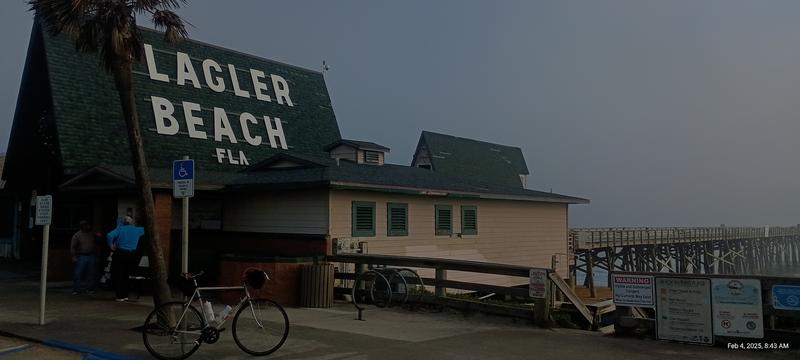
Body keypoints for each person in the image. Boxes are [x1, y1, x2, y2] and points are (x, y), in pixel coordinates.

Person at [106, 216, 144, 302]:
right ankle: (126, 295)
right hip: (132, 254)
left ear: (123, 222)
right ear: (131, 222)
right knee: (127, 275)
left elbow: (109, 235)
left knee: (119, 274)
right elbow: (147, 230)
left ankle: (120, 296)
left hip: (120, 253)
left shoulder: (120, 229)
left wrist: (111, 245)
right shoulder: (137, 230)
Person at [70, 220, 97, 295]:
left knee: (91, 273)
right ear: (82, 226)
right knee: (78, 273)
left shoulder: (91, 234)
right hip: (81, 256)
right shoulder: (77, 235)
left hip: (91, 255)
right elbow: (73, 247)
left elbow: (97, 241)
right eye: (86, 225)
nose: (88, 227)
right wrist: (73, 256)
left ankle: (90, 288)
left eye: (88, 225)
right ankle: (77, 289)